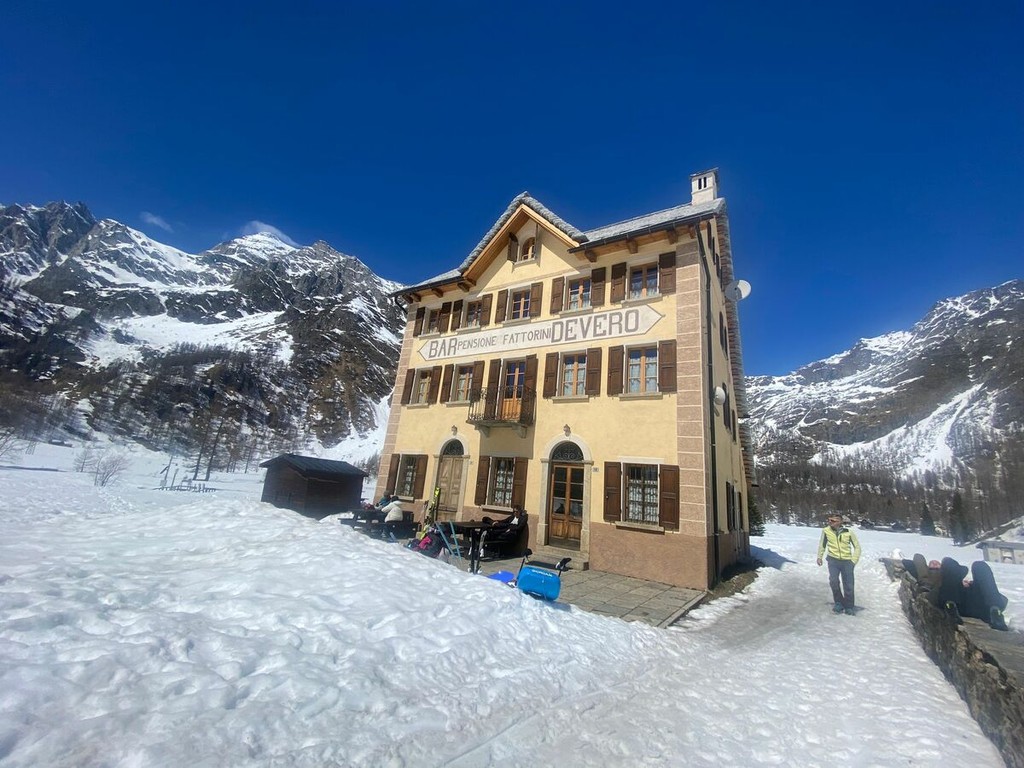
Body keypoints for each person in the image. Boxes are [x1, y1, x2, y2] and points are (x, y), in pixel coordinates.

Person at [935, 557, 1009, 631]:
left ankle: (996, 612)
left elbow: (962, 570)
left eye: (937, 563)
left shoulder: (953, 575)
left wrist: (965, 583)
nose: (935, 564)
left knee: (979, 565)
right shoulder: (937, 577)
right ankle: (950, 609)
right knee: (948, 561)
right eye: (932, 564)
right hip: (956, 604)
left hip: (980, 605)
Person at [817, 514, 861, 615]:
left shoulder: (848, 532)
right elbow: (822, 545)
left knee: (849, 585)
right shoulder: (826, 531)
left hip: (847, 562)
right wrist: (819, 557)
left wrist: (853, 561)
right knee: (834, 581)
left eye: (833, 521)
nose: (830, 522)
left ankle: (849, 606)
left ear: (840, 522)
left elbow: (857, 547)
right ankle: (839, 603)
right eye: (829, 520)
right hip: (833, 561)